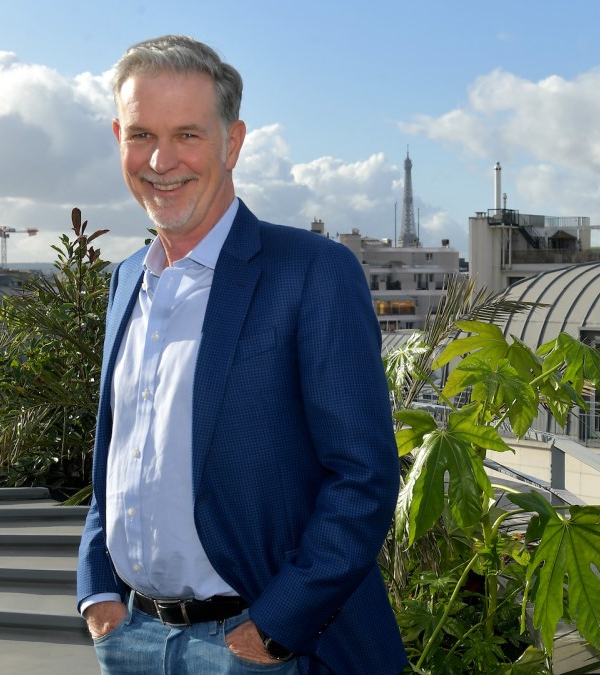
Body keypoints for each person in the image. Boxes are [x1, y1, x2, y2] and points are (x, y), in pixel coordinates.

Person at [76, 35, 405, 675]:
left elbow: (363, 477)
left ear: (234, 141)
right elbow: (118, 449)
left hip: (253, 648)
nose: (161, 160)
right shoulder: (124, 282)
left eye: (188, 135)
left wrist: (273, 630)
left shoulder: (312, 273)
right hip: (129, 638)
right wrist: (98, 592)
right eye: (141, 134)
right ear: (119, 136)